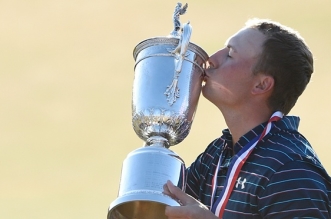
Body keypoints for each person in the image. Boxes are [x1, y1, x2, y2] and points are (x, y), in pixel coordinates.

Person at [163, 18, 331, 219]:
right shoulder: (217, 155)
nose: (212, 59)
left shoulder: (291, 172)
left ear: (261, 85)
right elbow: (160, 208)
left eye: (230, 54)